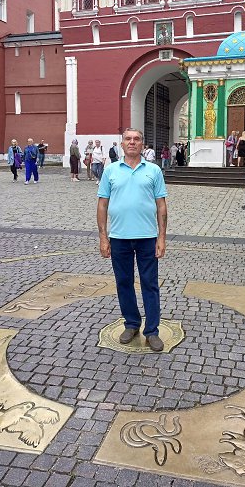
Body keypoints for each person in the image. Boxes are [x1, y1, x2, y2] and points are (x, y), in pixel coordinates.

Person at [97, 128, 168, 352]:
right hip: (119, 238)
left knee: (150, 284)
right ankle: (131, 324)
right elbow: (102, 205)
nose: (132, 142)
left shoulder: (154, 170)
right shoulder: (111, 170)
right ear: (122, 144)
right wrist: (103, 237)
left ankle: (152, 331)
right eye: (128, 139)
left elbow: (161, 205)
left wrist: (162, 237)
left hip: (147, 237)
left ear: (142, 144)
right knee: (124, 283)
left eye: (136, 139)